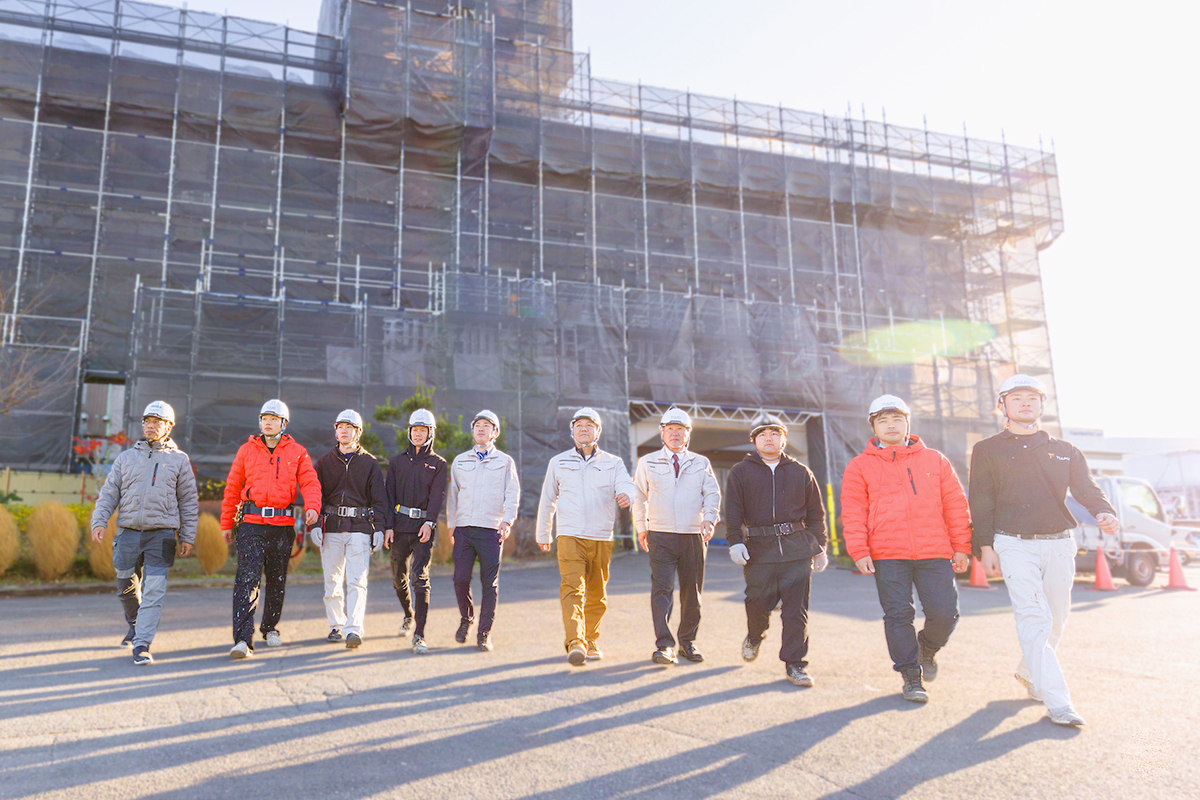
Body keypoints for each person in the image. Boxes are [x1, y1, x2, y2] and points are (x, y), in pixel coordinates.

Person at [970, 374, 1120, 726]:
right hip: (1012, 542)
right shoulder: (987, 449)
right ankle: (1059, 702)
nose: (1025, 403)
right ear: (1001, 405)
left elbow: (1086, 488)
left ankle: (1029, 671)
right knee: (1034, 618)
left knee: (1055, 620)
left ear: (1041, 404)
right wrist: (985, 546)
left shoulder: (1065, 450)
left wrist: (1104, 511)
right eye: (1016, 397)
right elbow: (981, 500)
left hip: (1059, 543)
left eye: (1032, 398)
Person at [840, 395, 972, 703]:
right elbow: (854, 511)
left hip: (934, 550)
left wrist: (961, 546)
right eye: (883, 420)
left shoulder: (935, 460)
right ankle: (911, 675)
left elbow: (955, 505)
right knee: (898, 615)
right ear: (873, 427)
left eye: (896, 419)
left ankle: (927, 647)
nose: (890, 425)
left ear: (907, 424)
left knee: (945, 613)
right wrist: (859, 550)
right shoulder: (859, 466)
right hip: (887, 554)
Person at [90, 401, 198, 666]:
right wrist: (99, 520)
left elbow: (188, 501)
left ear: (168, 426)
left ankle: (142, 644)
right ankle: (135, 623)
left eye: (157, 422)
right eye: (147, 421)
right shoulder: (126, 458)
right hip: (127, 533)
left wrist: (187, 536)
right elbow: (109, 493)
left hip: (161, 535)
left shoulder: (179, 460)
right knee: (125, 585)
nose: (150, 426)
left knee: (154, 591)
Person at [724, 414, 827, 687]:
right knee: (756, 603)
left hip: (797, 550)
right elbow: (732, 511)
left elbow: (816, 514)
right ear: (754, 441)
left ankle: (795, 664)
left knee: (796, 611)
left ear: (784, 439)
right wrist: (735, 541)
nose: (768, 438)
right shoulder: (741, 472)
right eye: (762, 434)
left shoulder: (800, 472)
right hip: (759, 550)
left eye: (774, 433)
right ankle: (755, 635)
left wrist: (820, 547)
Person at [221, 399, 321, 659]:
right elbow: (233, 487)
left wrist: (312, 506)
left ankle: (270, 628)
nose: (267, 422)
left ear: (284, 423)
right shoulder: (246, 450)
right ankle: (243, 640)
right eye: (264, 418)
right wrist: (226, 523)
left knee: (277, 580)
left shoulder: (298, 452)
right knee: (247, 579)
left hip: (282, 527)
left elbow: (310, 482)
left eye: (273, 419)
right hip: (251, 524)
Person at [536, 407, 635, 666]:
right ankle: (575, 643)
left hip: (601, 537)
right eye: (578, 425)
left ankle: (590, 639)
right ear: (572, 431)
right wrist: (543, 532)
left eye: (589, 425)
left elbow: (626, 484)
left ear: (598, 431)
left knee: (596, 594)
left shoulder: (613, 463)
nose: (583, 429)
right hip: (569, 536)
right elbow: (547, 500)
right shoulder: (558, 462)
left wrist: (627, 495)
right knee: (572, 590)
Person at [632, 407, 721, 665]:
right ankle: (664, 646)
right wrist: (642, 527)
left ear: (687, 434)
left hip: (693, 535)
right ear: (662, 433)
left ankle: (688, 642)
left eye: (680, 429)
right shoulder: (647, 462)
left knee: (692, 592)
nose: (675, 433)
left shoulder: (701, 463)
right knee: (662, 591)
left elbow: (712, 493)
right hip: (660, 535)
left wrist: (709, 518)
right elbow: (639, 497)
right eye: (670, 429)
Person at [312, 409, 388, 649]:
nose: (343, 431)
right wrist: (314, 524)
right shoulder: (324, 462)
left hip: (360, 529)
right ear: (335, 431)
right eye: (340, 427)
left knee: (357, 581)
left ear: (358, 432)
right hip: (332, 528)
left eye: (349, 427)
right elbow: (315, 496)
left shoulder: (370, 463)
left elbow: (379, 500)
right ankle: (336, 625)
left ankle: (354, 629)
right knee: (332, 581)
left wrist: (379, 528)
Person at [446, 409, 520, 651]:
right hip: (464, 530)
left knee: (489, 584)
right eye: (477, 425)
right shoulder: (460, 461)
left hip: (491, 530)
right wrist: (452, 525)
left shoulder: (505, 462)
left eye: (486, 425)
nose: (481, 428)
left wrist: (507, 521)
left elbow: (513, 494)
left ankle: (484, 632)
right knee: (460, 579)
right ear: (472, 431)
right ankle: (466, 618)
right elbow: (453, 496)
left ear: (495, 432)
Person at [384, 408, 448, 655]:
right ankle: (408, 614)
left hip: (423, 527)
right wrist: (388, 526)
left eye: (423, 430)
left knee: (419, 578)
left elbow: (437, 497)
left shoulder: (438, 464)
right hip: (399, 526)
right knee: (398, 578)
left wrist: (429, 522)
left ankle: (419, 634)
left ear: (431, 433)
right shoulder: (396, 462)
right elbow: (389, 496)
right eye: (414, 430)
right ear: (409, 432)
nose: (418, 434)